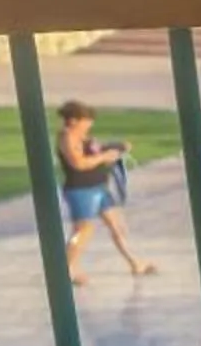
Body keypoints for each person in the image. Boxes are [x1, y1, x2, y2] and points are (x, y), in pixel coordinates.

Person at [56, 102, 155, 283]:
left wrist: (114, 150)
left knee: (117, 225)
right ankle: (66, 269)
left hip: (99, 186)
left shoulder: (84, 136)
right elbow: (78, 163)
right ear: (73, 121)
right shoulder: (67, 137)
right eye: (86, 121)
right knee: (83, 230)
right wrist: (103, 157)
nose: (89, 125)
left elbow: (96, 154)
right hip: (81, 189)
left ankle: (135, 263)